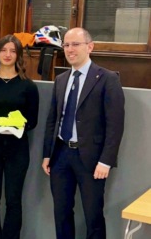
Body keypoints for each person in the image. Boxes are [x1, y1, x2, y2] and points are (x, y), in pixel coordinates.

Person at [42, 27, 125, 239]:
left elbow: (115, 124)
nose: (70, 49)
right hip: (60, 155)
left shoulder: (107, 79)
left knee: (93, 216)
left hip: (91, 158)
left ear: (90, 47)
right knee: (61, 213)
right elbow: (53, 119)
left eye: (75, 44)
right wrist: (47, 154)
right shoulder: (61, 79)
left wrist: (106, 161)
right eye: (66, 45)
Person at [0, 35, 39, 239]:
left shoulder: (28, 86)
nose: (8, 54)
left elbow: (32, 121)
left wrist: (14, 125)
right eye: (4, 50)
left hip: (17, 148)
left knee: (13, 199)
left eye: (12, 51)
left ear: (18, 55)